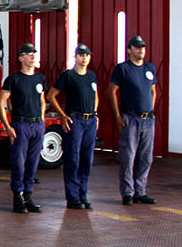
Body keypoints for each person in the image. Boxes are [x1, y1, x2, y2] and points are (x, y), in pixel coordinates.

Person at [108, 35, 158, 206]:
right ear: (129, 50)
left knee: (146, 157)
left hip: (148, 120)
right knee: (128, 157)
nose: (141, 50)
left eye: (143, 47)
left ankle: (140, 192)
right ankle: (128, 193)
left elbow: (153, 90)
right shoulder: (122, 69)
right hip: (130, 118)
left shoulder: (150, 68)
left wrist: (150, 109)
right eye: (137, 47)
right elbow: (112, 91)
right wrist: (117, 115)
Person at [0, 43, 46, 214]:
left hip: (37, 124)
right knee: (19, 162)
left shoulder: (40, 78)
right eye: (28, 54)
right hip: (21, 124)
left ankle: (28, 196)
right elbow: (0, 101)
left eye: (34, 54)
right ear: (21, 58)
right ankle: (18, 196)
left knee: (33, 163)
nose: (32, 57)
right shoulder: (13, 79)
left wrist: (42, 120)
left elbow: (42, 100)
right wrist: (8, 126)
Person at [48, 44, 98, 210]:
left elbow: (95, 96)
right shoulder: (68, 76)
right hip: (75, 121)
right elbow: (51, 96)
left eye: (87, 55)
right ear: (76, 57)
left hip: (90, 121)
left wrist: (95, 113)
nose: (85, 58)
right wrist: (63, 115)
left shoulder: (91, 76)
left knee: (86, 159)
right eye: (82, 55)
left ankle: (83, 194)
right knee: (73, 159)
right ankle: (73, 197)